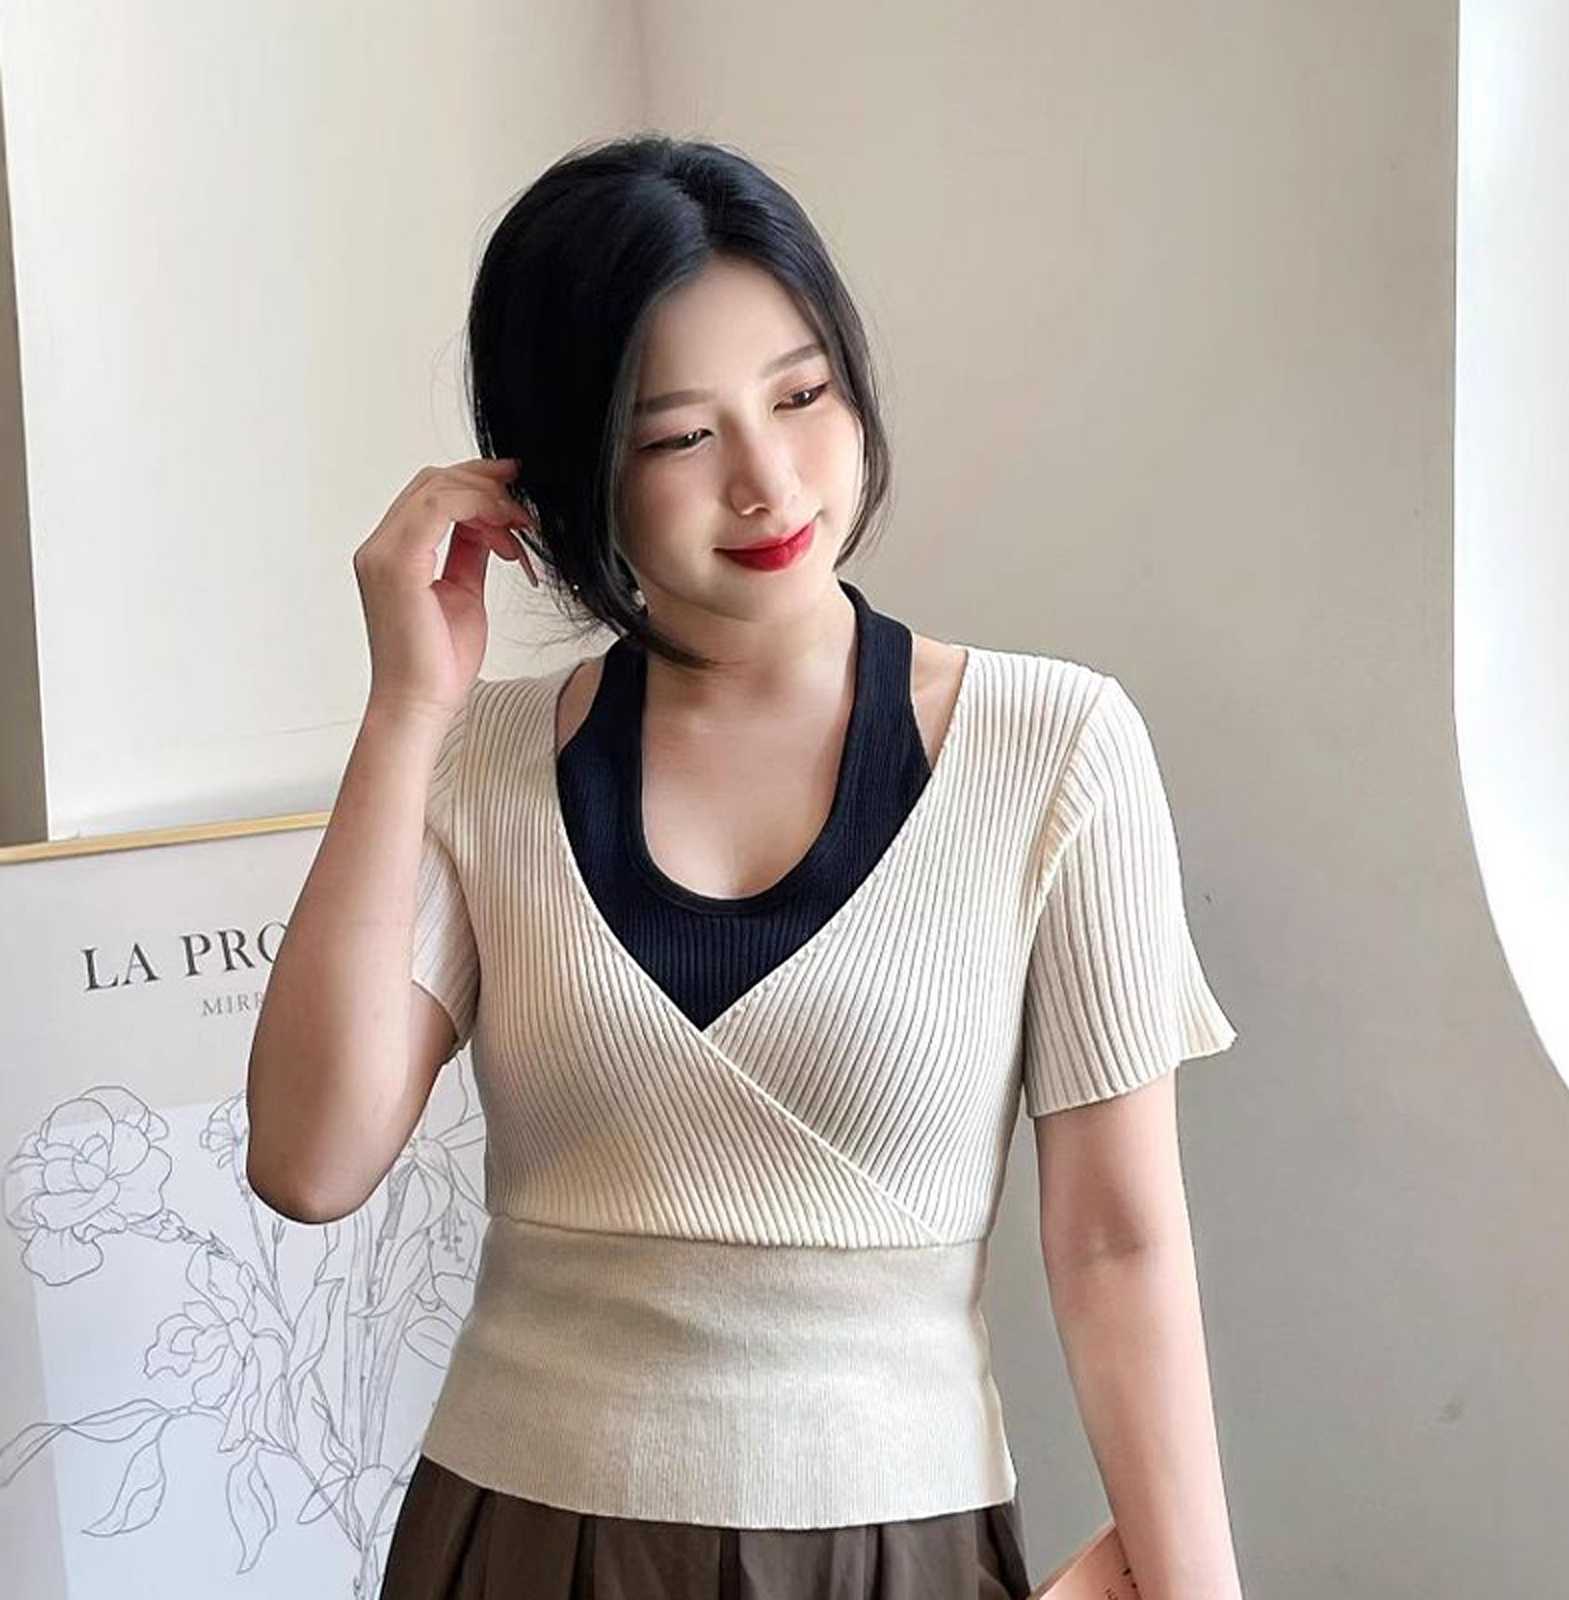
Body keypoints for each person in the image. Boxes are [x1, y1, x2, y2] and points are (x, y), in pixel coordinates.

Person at [246, 134, 1241, 1600]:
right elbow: (309, 1162)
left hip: (890, 1547)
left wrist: (1196, 1585)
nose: (769, 482)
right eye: (677, 439)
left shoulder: (1056, 747)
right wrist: (407, 707)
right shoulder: (479, 761)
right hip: (521, 1541)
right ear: (568, 473)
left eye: (801, 395)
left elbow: (1116, 1245)